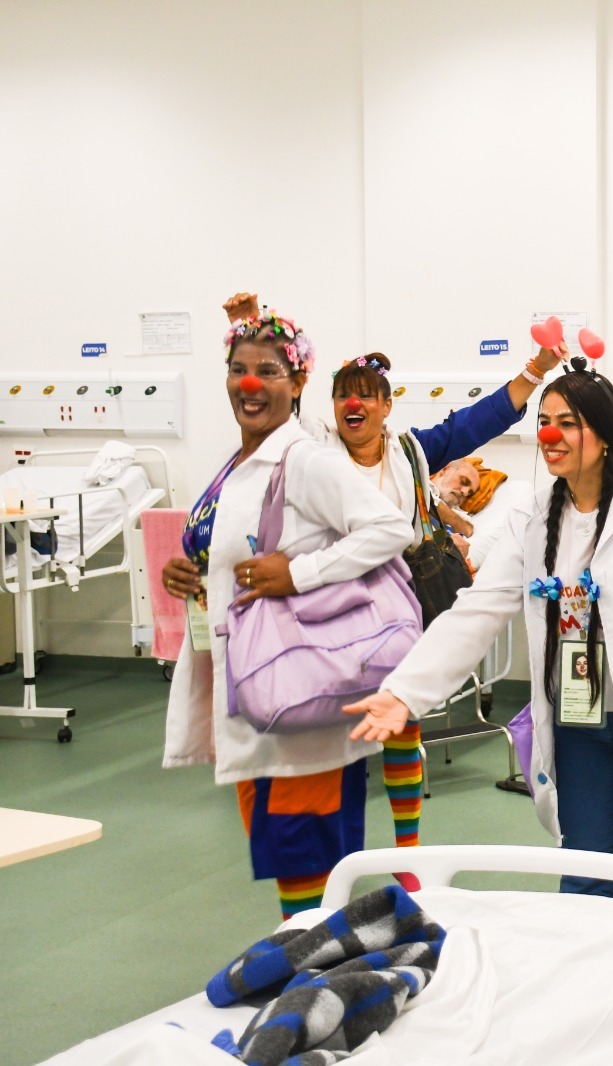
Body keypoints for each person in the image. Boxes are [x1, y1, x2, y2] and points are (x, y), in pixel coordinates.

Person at [342, 357, 613, 915]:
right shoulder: (533, 516)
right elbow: (478, 609)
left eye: (568, 422)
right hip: (578, 720)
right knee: (584, 877)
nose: (550, 435)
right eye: (544, 420)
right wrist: (405, 691)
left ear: (604, 435)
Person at [221, 292, 557, 865]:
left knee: (403, 723)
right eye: (344, 397)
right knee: (324, 730)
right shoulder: (314, 451)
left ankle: (406, 856)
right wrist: (247, 326)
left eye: (367, 397)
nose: (355, 405)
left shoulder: (410, 453)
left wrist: (536, 371)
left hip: (395, 611)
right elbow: (278, 407)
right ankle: (317, 847)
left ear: (385, 406)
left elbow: (480, 420)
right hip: (321, 612)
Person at [160, 309, 413, 920]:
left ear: (297, 383)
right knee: (285, 855)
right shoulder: (236, 463)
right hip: (254, 689)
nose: (250, 384)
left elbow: (389, 528)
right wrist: (188, 571)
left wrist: (296, 574)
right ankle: (313, 975)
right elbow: (235, 549)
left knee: (308, 859)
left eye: (269, 371)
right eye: (238, 370)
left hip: (301, 698)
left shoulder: (305, 460)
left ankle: (322, 982)